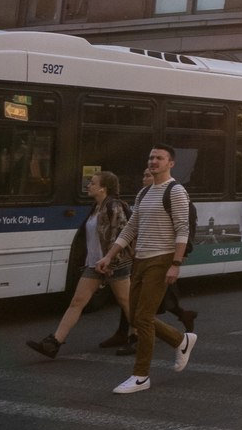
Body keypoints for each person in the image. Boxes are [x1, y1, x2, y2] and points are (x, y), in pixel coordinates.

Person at [97, 146, 197, 395]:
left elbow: (183, 229)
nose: (153, 161)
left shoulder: (176, 191)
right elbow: (131, 228)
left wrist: (176, 264)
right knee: (136, 316)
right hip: (139, 259)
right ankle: (180, 340)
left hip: (161, 259)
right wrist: (109, 255)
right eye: (151, 157)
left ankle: (141, 376)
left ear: (170, 163)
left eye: (159, 158)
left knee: (141, 318)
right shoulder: (144, 193)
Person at [27, 171, 131, 358]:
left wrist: (109, 259)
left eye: (92, 183)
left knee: (127, 303)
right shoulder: (96, 207)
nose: (88, 186)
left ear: (103, 188)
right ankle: (54, 343)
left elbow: (121, 236)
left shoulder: (113, 206)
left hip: (113, 264)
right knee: (77, 302)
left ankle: (142, 337)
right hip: (94, 264)